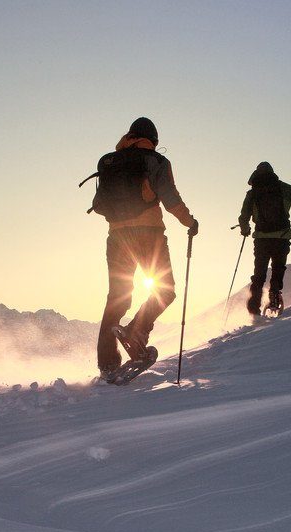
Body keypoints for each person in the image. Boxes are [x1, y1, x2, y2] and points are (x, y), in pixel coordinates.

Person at [92, 117, 198, 379]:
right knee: (166, 290)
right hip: (148, 234)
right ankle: (137, 331)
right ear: (154, 140)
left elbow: (97, 204)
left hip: (117, 237)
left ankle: (107, 363)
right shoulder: (156, 161)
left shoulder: (109, 161)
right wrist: (190, 221)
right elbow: (170, 197)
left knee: (117, 297)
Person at [237, 162, 291, 315]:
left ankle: (254, 306)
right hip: (282, 237)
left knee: (259, 272)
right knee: (278, 268)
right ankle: (274, 297)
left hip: (261, 239)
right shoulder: (284, 188)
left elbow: (243, 217)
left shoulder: (252, 193)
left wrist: (245, 229)